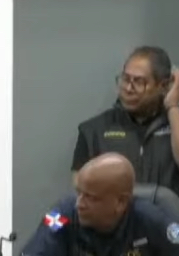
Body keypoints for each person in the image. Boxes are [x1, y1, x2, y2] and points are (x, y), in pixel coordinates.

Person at [13, 153, 179, 256]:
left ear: (120, 202)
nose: (79, 204)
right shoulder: (62, 214)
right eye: (78, 193)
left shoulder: (151, 217)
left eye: (90, 197)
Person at [71, 46, 179, 193]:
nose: (128, 88)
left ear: (164, 86)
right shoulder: (93, 131)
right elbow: (81, 188)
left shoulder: (174, 124)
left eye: (139, 82)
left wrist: (173, 106)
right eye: (125, 79)